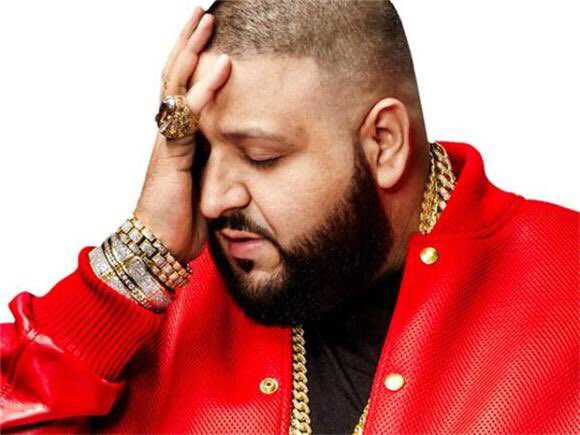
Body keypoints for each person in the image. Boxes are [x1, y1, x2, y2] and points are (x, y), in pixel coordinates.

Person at [1, 1, 576, 434]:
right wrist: (137, 261)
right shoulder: (160, 306)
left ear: (384, 143)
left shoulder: (564, 290)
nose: (212, 200)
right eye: (200, 151)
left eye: (261, 157)